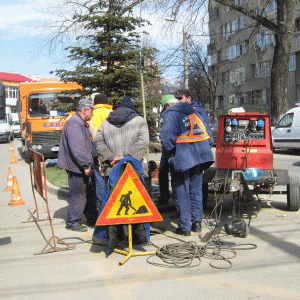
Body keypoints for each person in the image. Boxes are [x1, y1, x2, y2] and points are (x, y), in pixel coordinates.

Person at [92, 96, 150, 248]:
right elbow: (143, 142)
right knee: (138, 203)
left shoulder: (106, 123)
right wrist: (128, 158)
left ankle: (101, 236)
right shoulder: (139, 121)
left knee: (108, 203)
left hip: (112, 170)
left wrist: (110, 157)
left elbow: (97, 141)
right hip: (134, 169)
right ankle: (141, 237)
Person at [160, 89, 214, 236]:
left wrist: (171, 151)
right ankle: (197, 223)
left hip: (182, 156)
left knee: (181, 191)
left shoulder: (171, 114)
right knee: (195, 190)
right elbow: (208, 135)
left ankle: (184, 227)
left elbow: (166, 138)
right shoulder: (195, 111)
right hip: (200, 155)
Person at [57, 98, 99, 232]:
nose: (92, 114)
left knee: (89, 192)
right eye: (91, 111)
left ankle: (92, 217)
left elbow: (87, 145)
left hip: (80, 165)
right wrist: (86, 165)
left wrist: (94, 157)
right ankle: (73, 222)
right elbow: (78, 148)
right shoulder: (74, 124)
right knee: (79, 194)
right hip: (77, 167)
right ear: (84, 110)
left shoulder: (79, 123)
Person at [158, 94, 178, 206]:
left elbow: (164, 133)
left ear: (168, 105)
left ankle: (164, 196)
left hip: (168, 148)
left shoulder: (167, 114)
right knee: (176, 174)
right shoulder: (182, 113)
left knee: (163, 171)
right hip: (179, 147)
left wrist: (165, 145)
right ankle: (177, 200)